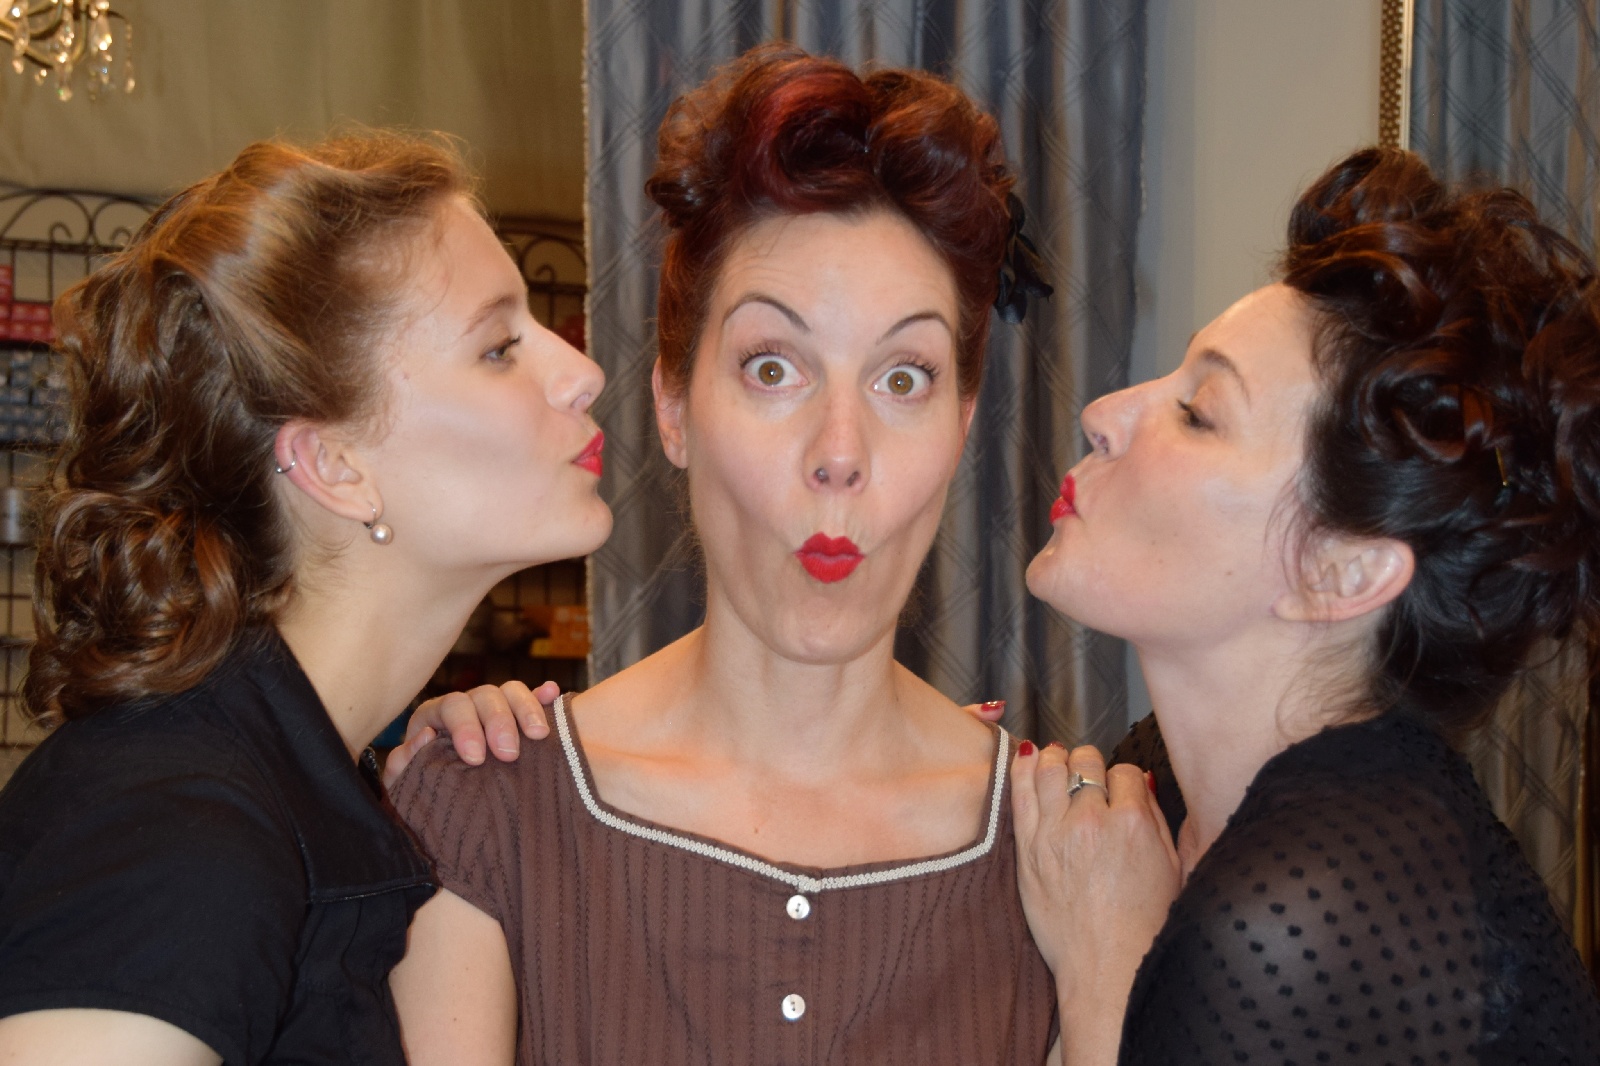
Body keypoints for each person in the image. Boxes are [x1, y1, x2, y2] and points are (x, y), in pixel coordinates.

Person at [388, 46, 1057, 1065]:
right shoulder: (490, 808)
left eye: (904, 378)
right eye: (774, 367)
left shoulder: (1058, 850)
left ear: (964, 425)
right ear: (672, 405)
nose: (840, 454)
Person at [0, 132, 610, 1065]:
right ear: (333, 465)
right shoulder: (181, 829)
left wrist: (411, 799)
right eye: (498, 347)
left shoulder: (290, 784)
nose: (582, 372)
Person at [1011, 147, 1600, 1065]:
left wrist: (1104, 970)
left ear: (1341, 573)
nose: (1104, 411)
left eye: (1199, 412)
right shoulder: (1165, 782)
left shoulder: (1314, 918)